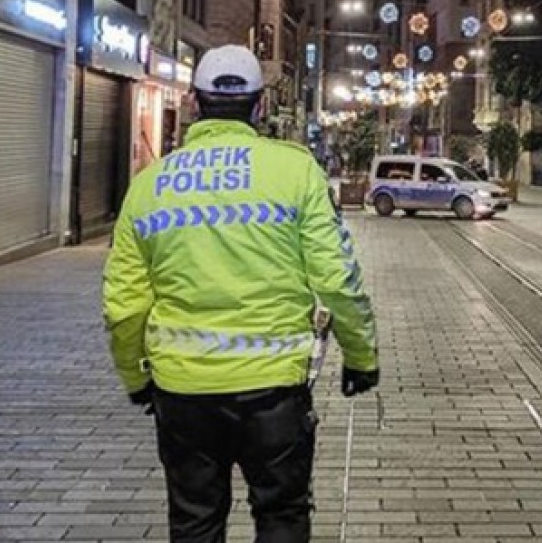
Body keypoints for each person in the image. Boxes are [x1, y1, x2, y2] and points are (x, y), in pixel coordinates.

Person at [103, 45, 380, 543]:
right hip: (273, 389)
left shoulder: (150, 185)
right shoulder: (295, 172)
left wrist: (134, 375)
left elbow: (124, 301)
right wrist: (361, 357)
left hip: (182, 388)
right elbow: (337, 278)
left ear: (193, 104)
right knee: (281, 515)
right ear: (259, 105)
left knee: (194, 519)